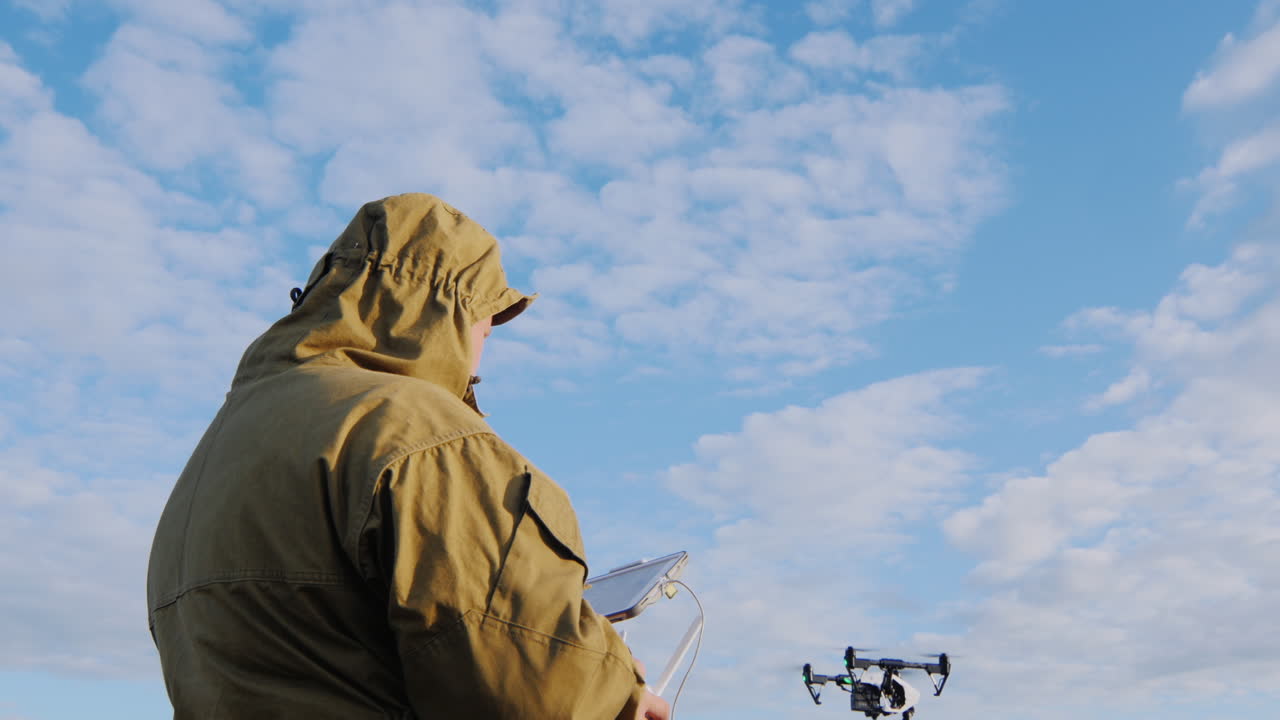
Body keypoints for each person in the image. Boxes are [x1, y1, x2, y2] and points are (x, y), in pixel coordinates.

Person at [146, 193, 669, 719]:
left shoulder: (225, 442)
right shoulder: (423, 435)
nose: (483, 348)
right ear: (445, 310)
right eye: (486, 324)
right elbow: (528, 689)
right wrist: (623, 698)